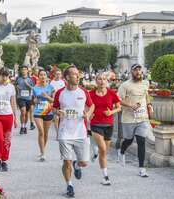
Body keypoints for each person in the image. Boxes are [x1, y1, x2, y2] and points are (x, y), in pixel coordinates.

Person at [53, 65, 94, 198]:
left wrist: (88, 114)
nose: (77, 76)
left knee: (84, 162)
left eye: (78, 74)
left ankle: (77, 164)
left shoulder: (83, 92)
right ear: (67, 77)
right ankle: (69, 185)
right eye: (74, 74)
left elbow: (91, 105)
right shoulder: (60, 93)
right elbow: (54, 108)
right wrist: (57, 112)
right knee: (66, 160)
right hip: (65, 132)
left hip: (80, 132)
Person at [117, 63, 153, 177]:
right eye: (135, 70)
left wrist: (149, 105)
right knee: (129, 140)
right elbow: (117, 99)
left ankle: (142, 168)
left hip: (142, 117)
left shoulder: (145, 83)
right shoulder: (125, 85)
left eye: (139, 70)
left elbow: (146, 95)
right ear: (131, 72)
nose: (138, 72)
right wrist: (130, 105)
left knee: (141, 141)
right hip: (128, 118)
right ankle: (121, 151)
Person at [89, 73, 121, 185]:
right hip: (96, 124)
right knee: (103, 149)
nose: (102, 81)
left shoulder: (112, 93)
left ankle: (96, 153)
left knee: (104, 152)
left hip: (108, 124)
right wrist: (88, 113)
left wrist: (111, 112)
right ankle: (105, 176)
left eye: (103, 79)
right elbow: (85, 105)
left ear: (106, 81)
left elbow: (119, 107)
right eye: (99, 79)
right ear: (96, 81)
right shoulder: (91, 94)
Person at [32, 69, 55, 162]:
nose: (42, 76)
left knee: (45, 133)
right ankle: (42, 153)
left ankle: (42, 150)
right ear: (38, 77)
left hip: (48, 112)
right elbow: (33, 101)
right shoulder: (35, 88)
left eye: (44, 75)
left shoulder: (51, 87)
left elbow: (54, 100)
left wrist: (46, 97)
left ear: (46, 76)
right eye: (41, 75)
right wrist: (35, 101)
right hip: (38, 112)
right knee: (41, 131)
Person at [15, 65, 34, 134]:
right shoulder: (18, 78)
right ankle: (22, 127)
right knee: (23, 111)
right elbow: (16, 85)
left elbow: (33, 88)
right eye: (22, 69)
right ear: (21, 71)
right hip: (20, 98)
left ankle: (25, 126)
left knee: (26, 113)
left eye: (25, 69)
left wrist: (27, 84)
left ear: (27, 71)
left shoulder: (30, 79)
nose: (23, 71)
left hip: (28, 98)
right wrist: (17, 87)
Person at [50, 69, 66, 139]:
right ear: (54, 74)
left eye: (59, 74)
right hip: (54, 102)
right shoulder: (52, 83)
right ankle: (58, 134)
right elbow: (50, 92)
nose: (58, 75)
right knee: (56, 118)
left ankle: (62, 133)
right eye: (57, 74)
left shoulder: (63, 82)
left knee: (62, 118)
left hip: (62, 102)